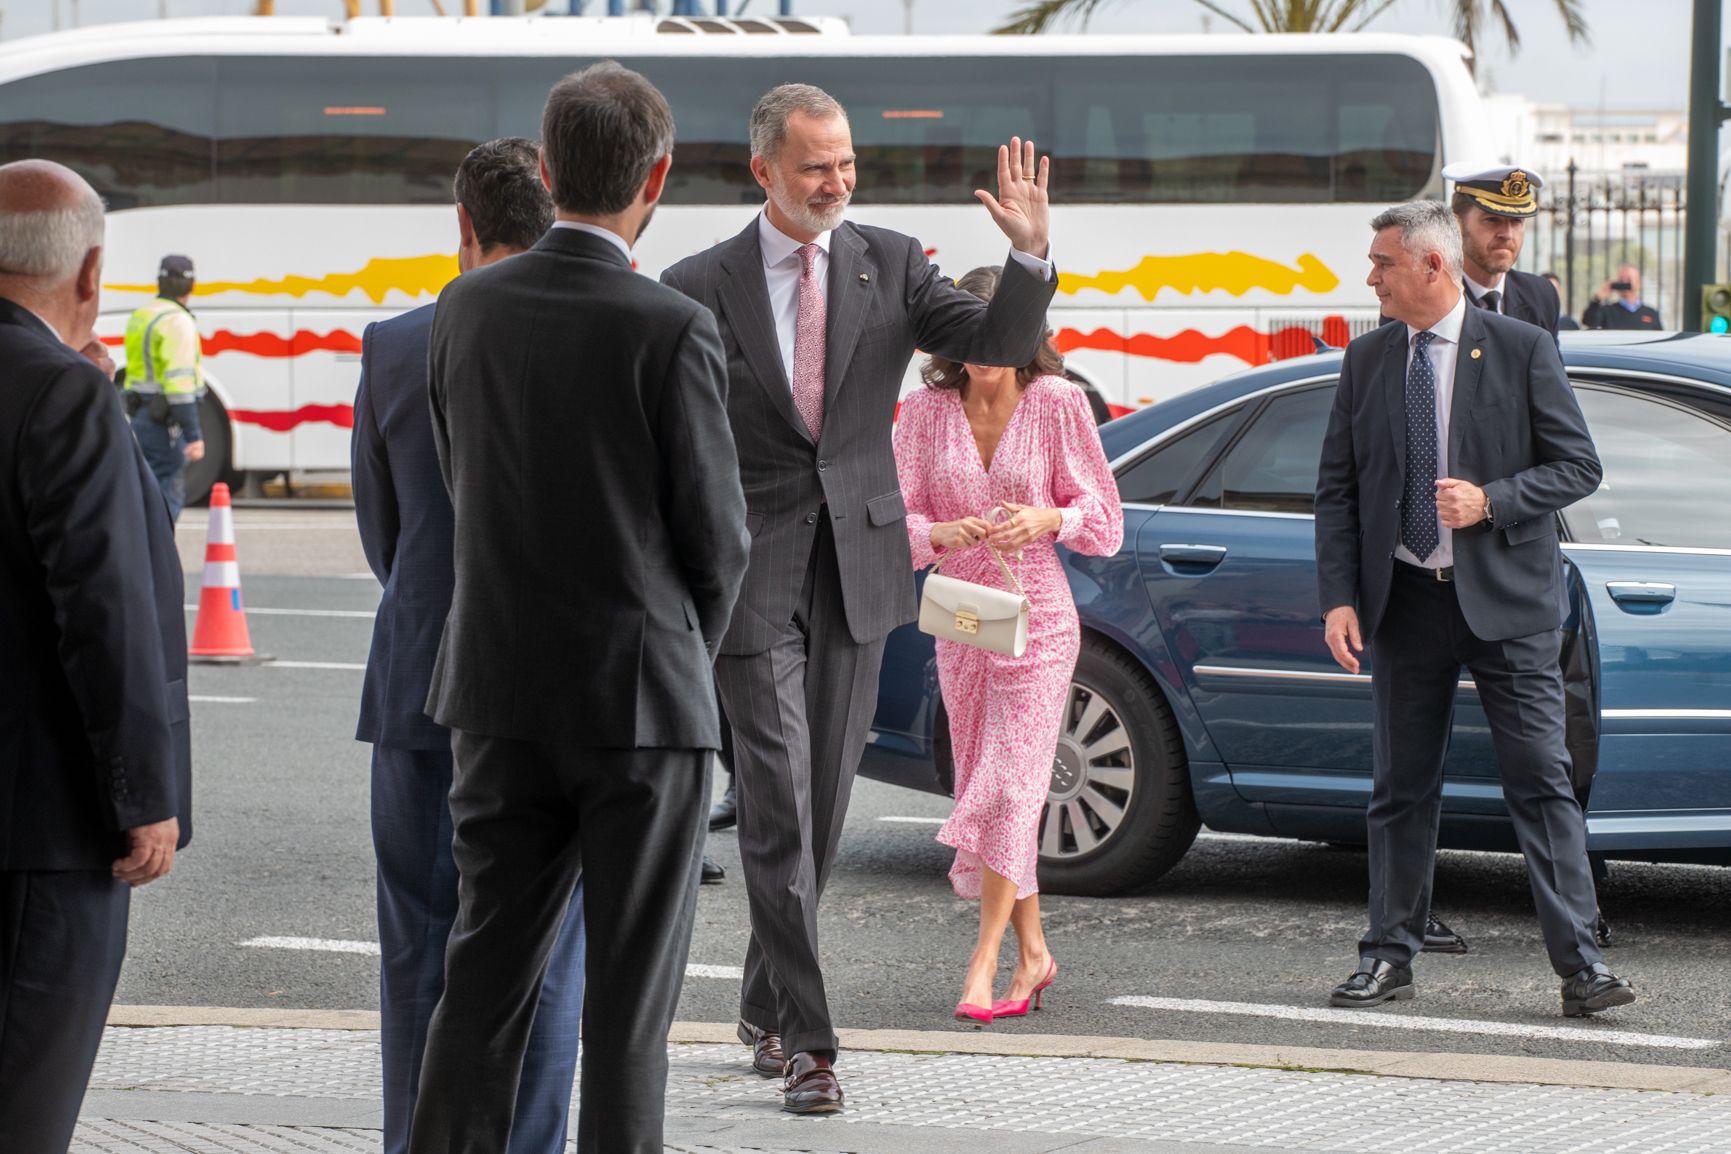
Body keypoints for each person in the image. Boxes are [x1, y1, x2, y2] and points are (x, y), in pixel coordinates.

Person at [661, 83, 1056, 1114]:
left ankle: (759, 1003)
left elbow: (998, 346)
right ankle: (808, 1044)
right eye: (814, 166)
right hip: (748, 578)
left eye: (845, 162)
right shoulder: (697, 283)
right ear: (764, 171)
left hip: (858, 572)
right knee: (779, 811)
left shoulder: (894, 259)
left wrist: (1028, 259)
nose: (836, 181)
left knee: (820, 819)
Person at [407, 64, 749, 1154]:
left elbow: (469, 490)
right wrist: (681, 645)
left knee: (481, 981)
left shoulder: (462, 310)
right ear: (657, 176)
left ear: (546, 172)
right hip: (641, 702)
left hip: (497, 692)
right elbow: (719, 539)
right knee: (627, 1012)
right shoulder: (672, 326)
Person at [1313, 201, 1634, 1018]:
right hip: (1406, 601)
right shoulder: (1369, 359)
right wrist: (1340, 599)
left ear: (1431, 266)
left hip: (1508, 604)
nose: (1370, 277)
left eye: (1382, 262)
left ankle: (1580, 969)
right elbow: (1338, 491)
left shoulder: (1522, 348)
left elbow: (1577, 467)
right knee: (1399, 787)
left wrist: (1490, 501)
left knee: (1540, 782)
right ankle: (1387, 956)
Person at [352, 137, 587, 1154]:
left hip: (420, 682)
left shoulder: (395, 344)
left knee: (418, 947)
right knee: (547, 952)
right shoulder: (609, 336)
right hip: (557, 697)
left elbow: (383, 530)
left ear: (463, 224)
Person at [0, 159, 192, 1150]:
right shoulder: (63, 396)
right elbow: (106, 608)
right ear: (89, 275)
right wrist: (142, 796)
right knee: (26, 1094)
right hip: (44, 826)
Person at [892, 266, 1122, 1023]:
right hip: (962, 615)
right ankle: (1034, 952)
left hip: (1039, 615)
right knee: (990, 783)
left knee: (1013, 784)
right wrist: (938, 532)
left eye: (1000, 333)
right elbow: (896, 520)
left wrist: (1048, 521)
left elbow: (1103, 515)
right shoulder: (924, 413)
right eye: (970, 335)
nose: (984, 350)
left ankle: (983, 964)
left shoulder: (1057, 402)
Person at [122, 253, 206, 521]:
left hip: (140, 413)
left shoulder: (143, 314)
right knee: (167, 493)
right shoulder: (177, 321)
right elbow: (179, 385)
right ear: (191, 286)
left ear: (159, 282)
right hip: (164, 420)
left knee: (145, 490)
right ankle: (157, 558)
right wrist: (194, 435)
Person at [1582, 264, 1663, 329]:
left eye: (1628, 280)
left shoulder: (1651, 313)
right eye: (1621, 280)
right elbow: (1588, 321)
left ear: (1639, 283)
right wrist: (1597, 299)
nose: (1624, 283)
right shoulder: (1607, 311)